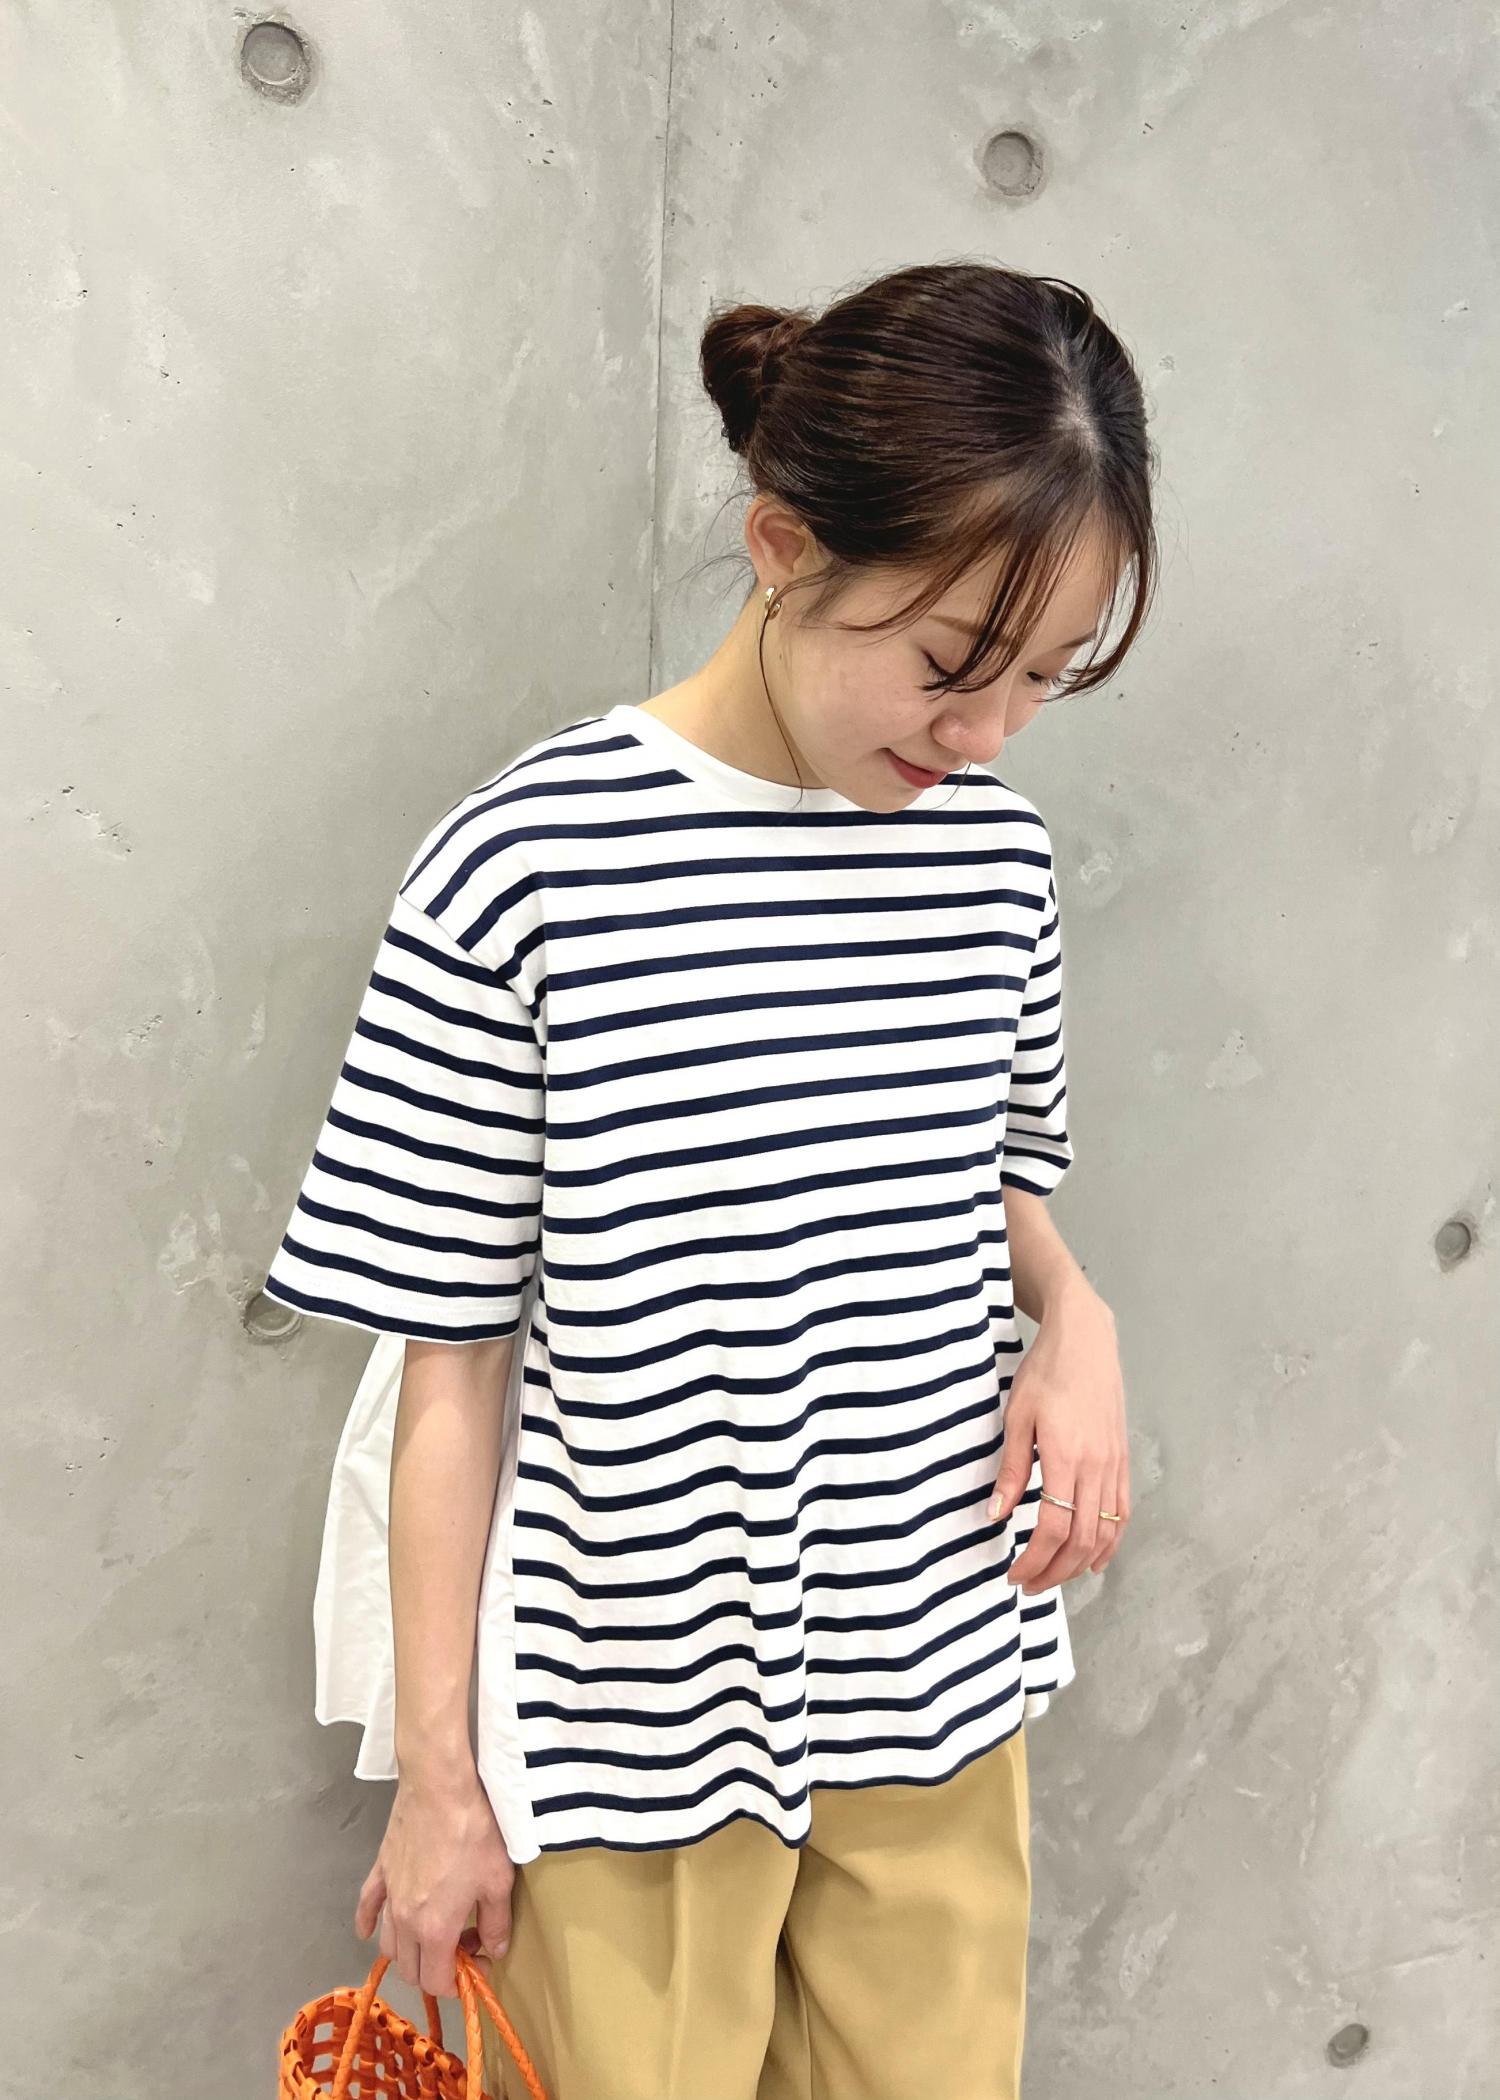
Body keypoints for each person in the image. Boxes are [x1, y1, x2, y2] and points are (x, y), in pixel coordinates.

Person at [263, 257, 1152, 2100]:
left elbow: (990, 1189)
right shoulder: (525, 868)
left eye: (1044, 680)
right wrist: (444, 1787)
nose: (984, 736)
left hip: (938, 1678)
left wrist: (1081, 1324)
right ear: (780, 545)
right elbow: (447, 1373)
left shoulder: (993, 862)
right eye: (950, 664)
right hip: (630, 1736)